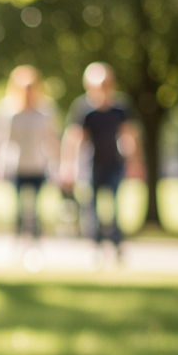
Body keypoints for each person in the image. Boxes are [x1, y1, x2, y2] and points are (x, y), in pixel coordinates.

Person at [60, 62, 141, 262]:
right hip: (91, 165)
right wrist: (68, 165)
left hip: (114, 163)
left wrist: (135, 162)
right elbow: (73, 138)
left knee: (115, 206)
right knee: (91, 208)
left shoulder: (120, 108)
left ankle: (116, 245)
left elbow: (129, 136)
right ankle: (95, 246)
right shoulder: (83, 108)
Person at [0, 65, 60, 242]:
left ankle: (36, 241)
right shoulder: (7, 110)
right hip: (16, 165)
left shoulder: (46, 110)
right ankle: (18, 240)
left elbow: (52, 139)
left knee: (36, 208)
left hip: (38, 164)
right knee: (19, 209)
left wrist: (57, 165)